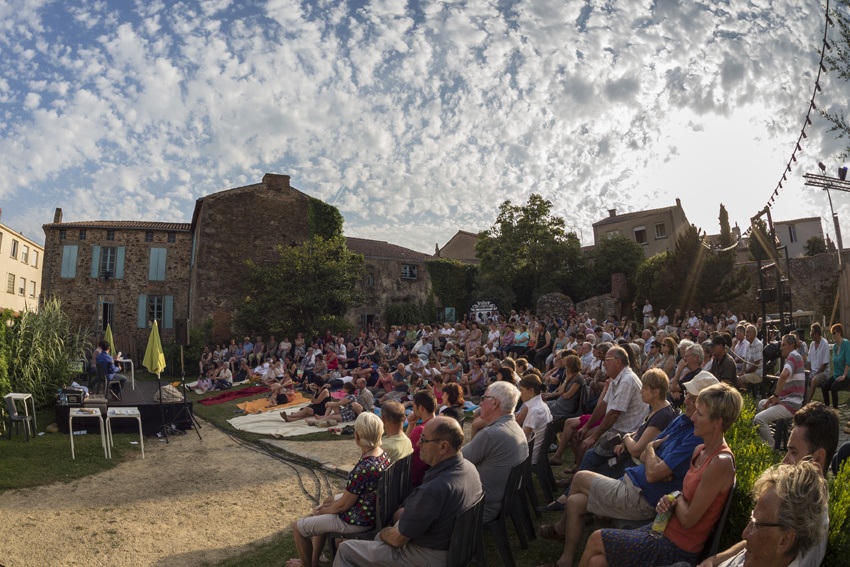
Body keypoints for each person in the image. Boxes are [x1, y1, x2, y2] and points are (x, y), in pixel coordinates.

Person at [537, 372, 722, 566]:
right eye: (688, 395)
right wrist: (652, 455)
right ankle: (565, 559)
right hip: (634, 483)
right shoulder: (681, 420)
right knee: (575, 501)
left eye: (694, 399)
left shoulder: (694, 435)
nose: (688, 400)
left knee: (581, 476)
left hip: (641, 496)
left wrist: (650, 451)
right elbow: (643, 457)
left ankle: (560, 529)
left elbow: (649, 465)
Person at [576, 383, 742, 567]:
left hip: (676, 547)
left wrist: (676, 497)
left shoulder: (720, 462)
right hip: (662, 528)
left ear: (717, 422)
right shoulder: (700, 450)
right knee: (597, 561)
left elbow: (688, 520)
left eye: (700, 414)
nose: (693, 417)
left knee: (596, 538)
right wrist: (671, 499)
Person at [700, 401, 838, 567]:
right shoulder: (794, 497)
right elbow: (753, 539)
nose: (784, 461)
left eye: (793, 452)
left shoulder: (808, 523)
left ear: (817, 459)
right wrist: (715, 560)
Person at [333, 417, 483, 567]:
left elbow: (397, 540)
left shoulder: (436, 488)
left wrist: (384, 531)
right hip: (454, 547)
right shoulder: (469, 468)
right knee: (396, 519)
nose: (418, 444)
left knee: (347, 549)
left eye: (423, 440)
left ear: (443, 447)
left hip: (427, 556)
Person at [288, 412, 391, 567]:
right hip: (369, 508)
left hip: (358, 518)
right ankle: (314, 560)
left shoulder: (364, 467)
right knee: (324, 506)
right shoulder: (383, 455)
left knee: (298, 527)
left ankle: (306, 564)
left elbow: (343, 505)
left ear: (357, 436)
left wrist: (325, 510)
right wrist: (327, 508)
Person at [699, 462, 828, 567]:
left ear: (785, 540)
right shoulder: (761, 554)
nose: (745, 533)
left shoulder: (758, 555)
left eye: (756, 524)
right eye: (751, 518)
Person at [461, 381, 528, 523]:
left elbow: (457, 461)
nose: (480, 404)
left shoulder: (492, 434)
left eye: (484, 399)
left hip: (480, 507)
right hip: (500, 501)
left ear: (495, 403)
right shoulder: (513, 426)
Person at [753, 334, 805, 446]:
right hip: (788, 401)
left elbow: (784, 374)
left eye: (783, 345)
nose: (780, 348)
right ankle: (773, 437)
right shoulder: (794, 356)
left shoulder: (793, 356)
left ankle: (772, 447)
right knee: (761, 404)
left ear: (791, 345)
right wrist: (776, 398)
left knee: (758, 419)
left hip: (791, 405)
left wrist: (776, 396)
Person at [517, 375, 553, 465]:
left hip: (529, 456)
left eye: (521, 390)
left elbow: (522, 437)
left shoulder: (535, 410)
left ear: (531, 390)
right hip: (532, 451)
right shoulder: (540, 405)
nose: (519, 393)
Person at [406, 390, 437, 487]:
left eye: (414, 406)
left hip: (413, 479)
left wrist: (411, 426)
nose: (412, 410)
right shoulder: (439, 424)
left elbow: (404, 447)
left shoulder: (420, 431)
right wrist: (412, 424)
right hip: (429, 476)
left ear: (421, 408)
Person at [822, 323, 850, 410]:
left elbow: (848, 362)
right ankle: (828, 408)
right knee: (824, 387)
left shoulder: (846, 343)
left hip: (846, 375)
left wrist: (844, 376)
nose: (833, 335)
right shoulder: (834, 347)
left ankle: (835, 411)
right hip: (836, 375)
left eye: (834, 333)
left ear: (839, 333)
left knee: (834, 387)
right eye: (832, 334)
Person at [805, 323, 831, 404]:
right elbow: (808, 360)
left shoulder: (825, 344)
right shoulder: (812, 344)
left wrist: (815, 374)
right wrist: (809, 372)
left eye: (812, 333)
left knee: (813, 381)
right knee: (802, 378)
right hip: (812, 371)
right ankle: (800, 401)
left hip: (822, 373)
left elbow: (825, 364)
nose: (810, 335)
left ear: (817, 334)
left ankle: (806, 404)